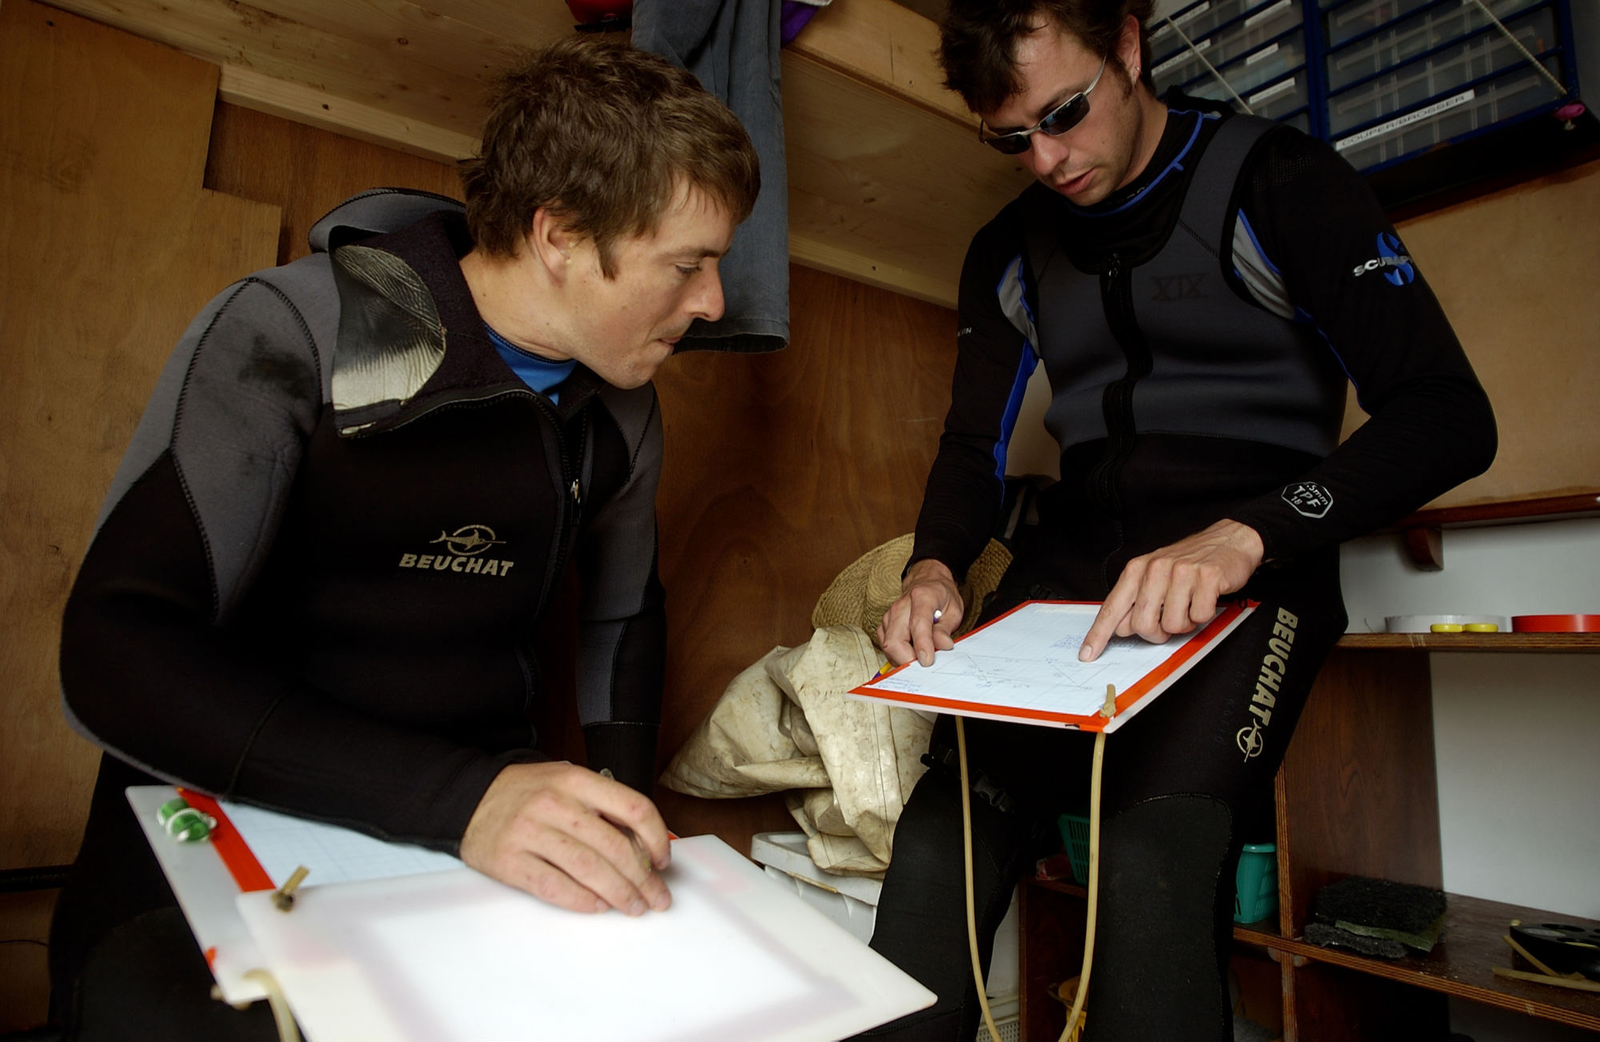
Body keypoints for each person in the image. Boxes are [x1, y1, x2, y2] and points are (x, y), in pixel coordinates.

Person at [52, 37, 759, 1038]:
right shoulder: (294, 331)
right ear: (559, 235)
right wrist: (464, 799)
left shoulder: (622, 413)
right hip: (223, 828)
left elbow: (620, 619)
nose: (714, 303)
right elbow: (114, 650)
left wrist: (617, 815)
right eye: (686, 265)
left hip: (457, 836)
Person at [867, 2, 1496, 1039]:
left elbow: (1446, 415)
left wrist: (1246, 533)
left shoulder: (1282, 181)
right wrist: (933, 564)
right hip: (1072, 567)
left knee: (1153, 867)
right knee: (941, 842)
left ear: (1127, 41)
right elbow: (969, 449)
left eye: (1065, 112)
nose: (1047, 159)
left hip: (1252, 557)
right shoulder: (1008, 247)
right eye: (1010, 136)